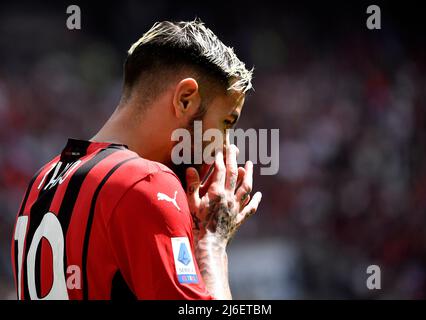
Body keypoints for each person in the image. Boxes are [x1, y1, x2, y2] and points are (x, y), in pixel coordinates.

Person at [11, 19, 262, 300]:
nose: (226, 147)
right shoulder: (147, 182)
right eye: (227, 123)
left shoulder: (41, 181)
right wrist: (212, 245)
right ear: (185, 99)